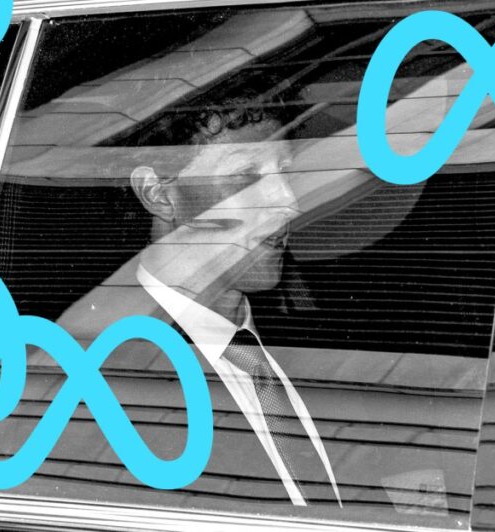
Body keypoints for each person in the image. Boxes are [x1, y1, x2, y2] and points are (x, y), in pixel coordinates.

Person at [56, 93, 344, 507]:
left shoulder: (327, 339)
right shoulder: (96, 380)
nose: (289, 202)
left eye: (285, 171)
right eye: (246, 175)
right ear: (158, 194)